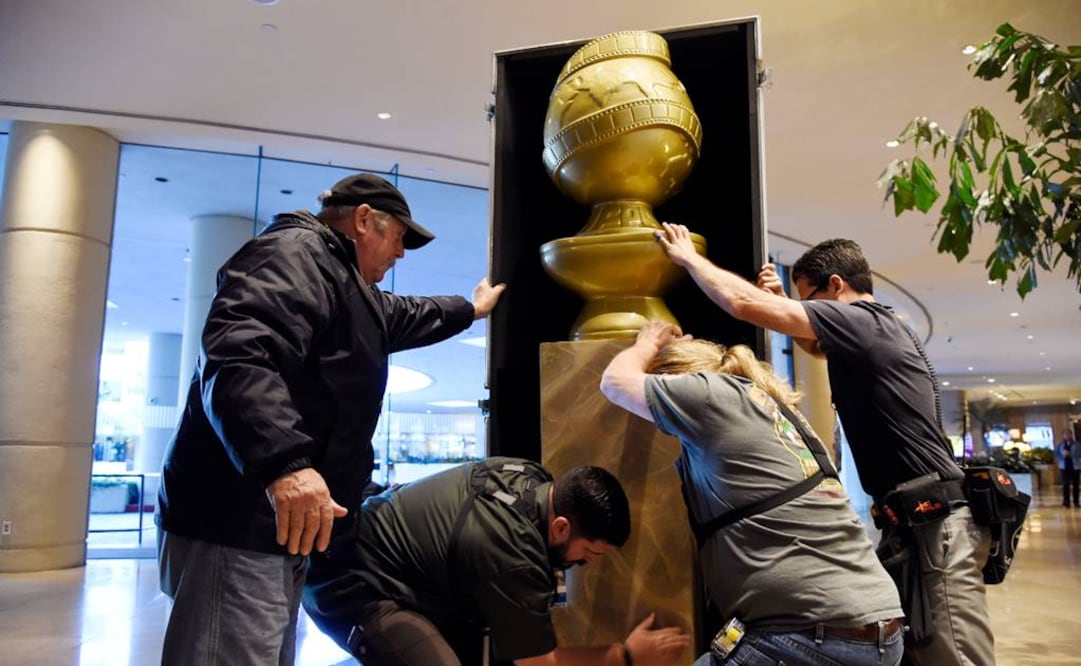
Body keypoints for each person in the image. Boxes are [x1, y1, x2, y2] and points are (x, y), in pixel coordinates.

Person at [156, 173, 506, 665]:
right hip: (239, 521)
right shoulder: (292, 255)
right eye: (399, 237)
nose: (400, 253)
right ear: (363, 220)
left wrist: (470, 309)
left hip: (278, 525)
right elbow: (240, 357)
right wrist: (286, 464)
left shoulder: (341, 281)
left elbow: (406, 314)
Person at [655, 227, 994, 666]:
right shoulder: (873, 331)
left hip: (936, 523)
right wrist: (784, 303)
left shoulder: (865, 320)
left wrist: (688, 257)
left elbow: (740, 303)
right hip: (914, 523)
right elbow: (815, 346)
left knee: (954, 656)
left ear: (836, 285)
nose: (807, 310)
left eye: (810, 299)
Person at [600, 322, 904, 666]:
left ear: (674, 381)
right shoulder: (765, 407)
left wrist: (646, 345)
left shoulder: (708, 395)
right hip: (871, 631)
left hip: (812, 637)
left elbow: (615, 383)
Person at [302, 457, 690, 666]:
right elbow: (538, 664)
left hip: (372, 554)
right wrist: (626, 656)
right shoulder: (515, 556)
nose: (585, 565)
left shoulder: (531, 477)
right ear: (560, 528)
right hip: (352, 584)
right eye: (589, 554)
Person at [1054, 427, 1081, 507]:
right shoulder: (1060, 445)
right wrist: (1063, 456)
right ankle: (1066, 502)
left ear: (1071, 435)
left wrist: (1071, 454)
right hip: (1064, 467)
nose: (1067, 435)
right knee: (1065, 484)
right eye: (1065, 434)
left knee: (1076, 485)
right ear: (1063, 435)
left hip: (1075, 466)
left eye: (1068, 434)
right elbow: (1056, 455)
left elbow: (1079, 454)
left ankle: (1076, 502)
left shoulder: (1077, 444)